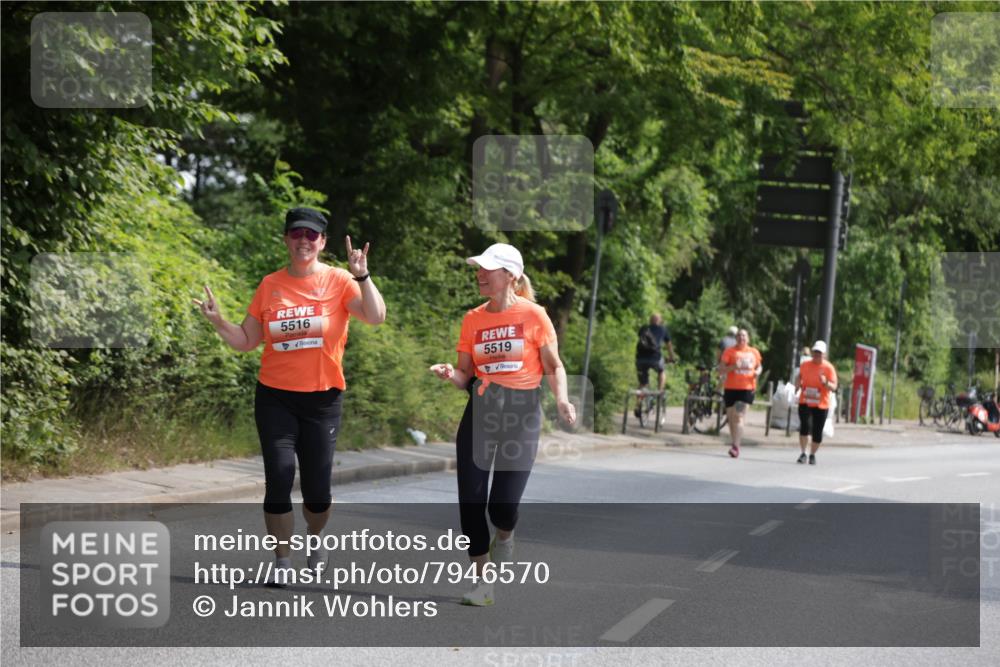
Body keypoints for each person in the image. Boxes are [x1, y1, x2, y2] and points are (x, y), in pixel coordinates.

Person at [194, 207, 386, 585]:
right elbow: (247, 341)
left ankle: (316, 538)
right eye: (296, 234)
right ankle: (282, 560)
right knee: (279, 476)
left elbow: (376, 316)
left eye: (311, 235)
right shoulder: (271, 285)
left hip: (323, 400)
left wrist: (362, 275)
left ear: (322, 242)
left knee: (317, 490)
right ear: (286, 238)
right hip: (275, 398)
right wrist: (218, 321)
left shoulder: (341, 280)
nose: (303, 241)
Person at [429, 243, 576, 606]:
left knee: (502, 506)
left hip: (521, 416)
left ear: (509, 275)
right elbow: (466, 374)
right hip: (480, 413)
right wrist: (452, 374)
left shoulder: (535, 315)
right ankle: (483, 584)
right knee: (471, 503)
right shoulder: (472, 319)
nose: (479, 274)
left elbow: (554, 366)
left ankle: (506, 535)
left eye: (487, 269)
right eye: (478, 268)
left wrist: (561, 399)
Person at [718, 328, 762, 458]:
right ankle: (734, 442)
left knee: (738, 416)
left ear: (748, 339)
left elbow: (759, 366)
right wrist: (733, 367)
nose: (741, 338)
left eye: (744, 336)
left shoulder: (754, 352)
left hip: (746, 389)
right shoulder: (729, 352)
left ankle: (736, 446)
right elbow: (721, 370)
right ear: (736, 338)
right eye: (739, 336)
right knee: (731, 418)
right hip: (731, 388)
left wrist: (757, 372)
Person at [795, 340, 837, 465]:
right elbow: (799, 376)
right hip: (806, 400)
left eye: (819, 353)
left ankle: (812, 454)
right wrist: (797, 385)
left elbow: (834, 387)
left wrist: (825, 383)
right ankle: (803, 453)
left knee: (817, 431)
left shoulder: (829, 368)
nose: (817, 355)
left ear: (824, 354)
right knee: (804, 427)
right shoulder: (805, 365)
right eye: (815, 352)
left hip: (821, 403)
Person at [634, 313, 676, 418]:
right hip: (655, 358)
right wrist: (672, 358)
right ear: (660, 321)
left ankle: (637, 405)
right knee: (661, 371)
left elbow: (641, 340)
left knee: (642, 384)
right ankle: (660, 392)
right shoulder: (663, 330)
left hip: (640, 359)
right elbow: (669, 346)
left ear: (650, 320)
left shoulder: (644, 328)